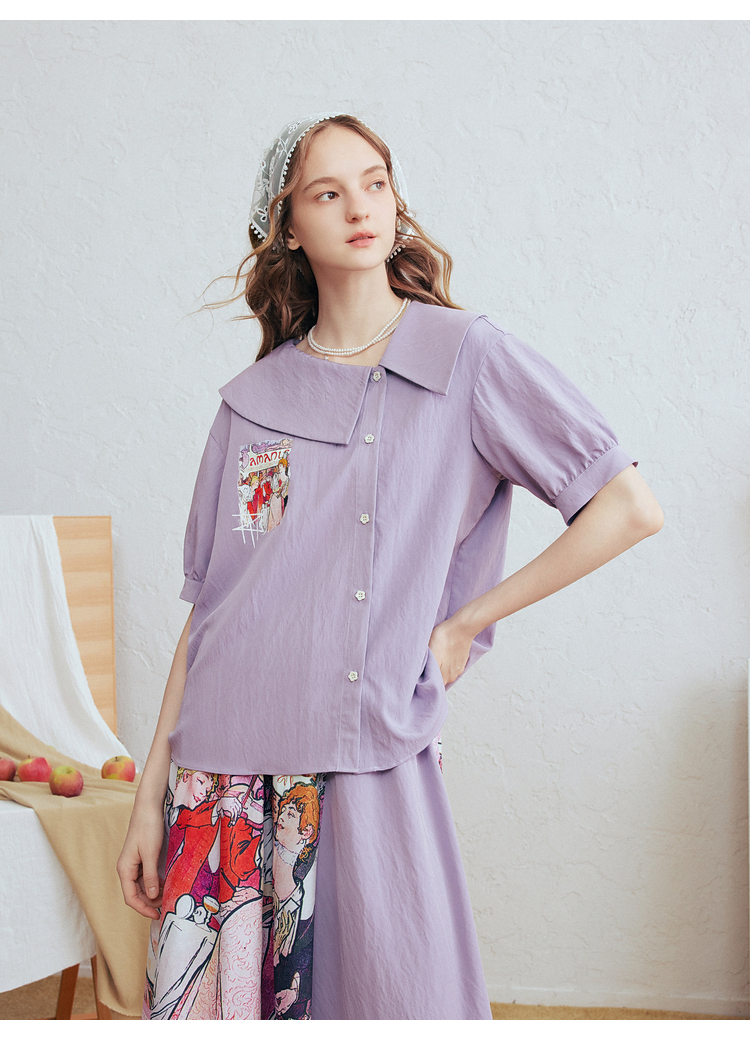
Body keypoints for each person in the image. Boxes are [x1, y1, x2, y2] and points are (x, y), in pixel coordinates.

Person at [117, 113, 663, 1021]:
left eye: (374, 182)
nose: (360, 208)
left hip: (365, 754)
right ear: (289, 226)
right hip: (220, 780)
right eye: (328, 193)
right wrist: (150, 799)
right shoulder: (256, 401)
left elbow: (627, 506)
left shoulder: (464, 358)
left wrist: (463, 624)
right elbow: (215, 608)